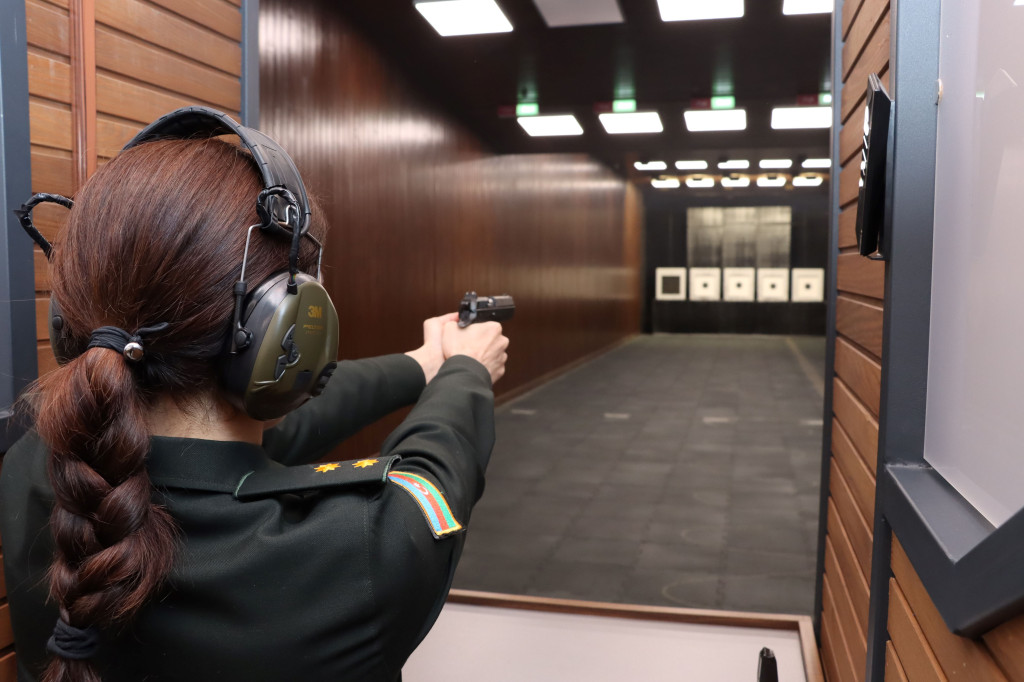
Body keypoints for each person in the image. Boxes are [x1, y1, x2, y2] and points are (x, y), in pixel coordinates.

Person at [0, 121, 508, 682]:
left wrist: (425, 363)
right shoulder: (360, 554)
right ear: (288, 332)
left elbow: (277, 428)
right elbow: (440, 464)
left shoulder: (35, 466)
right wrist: (466, 368)